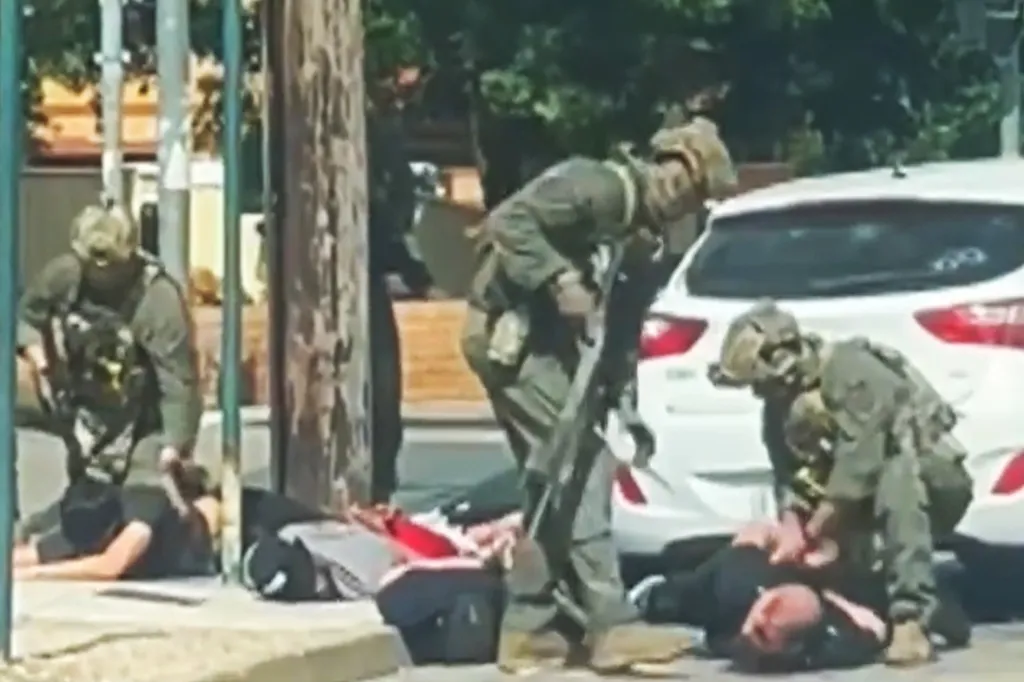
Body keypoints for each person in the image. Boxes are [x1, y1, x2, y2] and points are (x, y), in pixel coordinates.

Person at [461, 115, 737, 675]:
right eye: (684, 184)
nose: (681, 200)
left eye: (694, 197)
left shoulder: (643, 239)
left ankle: (530, 626)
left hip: (560, 353)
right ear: (668, 165)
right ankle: (611, 623)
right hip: (510, 338)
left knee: (553, 484)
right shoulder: (596, 185)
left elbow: (623, 327)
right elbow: (509, 222)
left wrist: (624, 399)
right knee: (581, 469)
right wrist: (559, 279)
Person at [707, 300, 975, 666]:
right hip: (858, 497)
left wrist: (818, 527)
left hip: (931, 483)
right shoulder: (781, 404)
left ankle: (911, 618)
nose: (759, 394)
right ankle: (927, 604)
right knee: (837, 575)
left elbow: (863, 458)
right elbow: (788, 473)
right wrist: (793, 527)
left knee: (897, 477)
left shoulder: (851, 368)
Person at [16, 204, 202, 504]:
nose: (100, 269)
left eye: (110, 261)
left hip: (143, 421)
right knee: (87, 509)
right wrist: (37, 354)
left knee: (140, 504)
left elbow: (179, 382)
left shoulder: (157, 298)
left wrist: (175, 445)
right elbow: (27, 314)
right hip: (85, 409)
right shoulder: (66, 275)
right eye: (92, 259)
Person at [628, 522, 970, 671]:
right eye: (759, 620)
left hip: (839, 582)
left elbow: (873, 627)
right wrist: (784, 536)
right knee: (679, 591)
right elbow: (755, 534)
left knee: (925, 608)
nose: (750, 630)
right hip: (768, 569)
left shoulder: (835, 641)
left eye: (762, 633)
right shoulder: (737, 584)